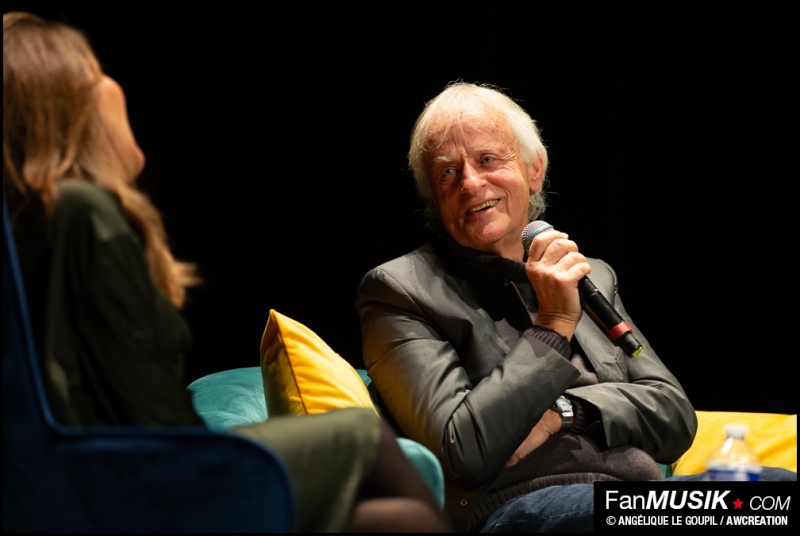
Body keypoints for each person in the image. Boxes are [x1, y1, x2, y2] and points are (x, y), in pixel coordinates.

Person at [2, 12, 450, 533]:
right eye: (96, 71)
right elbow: (153, 420)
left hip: (89, 478)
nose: (113, 84)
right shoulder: (83, 214)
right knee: (363, 435)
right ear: (66, 102)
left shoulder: (39, 220)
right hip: (143, 480)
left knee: (390, 519)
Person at [355, 83, 794, 533]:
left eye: (488, 160)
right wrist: (554, 325)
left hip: (636, 500)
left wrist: (565, 412)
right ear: (433, 196)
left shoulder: (589, 274)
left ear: (534, 170)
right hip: (522, 507)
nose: (470, 182)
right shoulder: (399, 291)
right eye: (447, 172)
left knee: (779, 495)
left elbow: (674, 414)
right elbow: (462, 448)